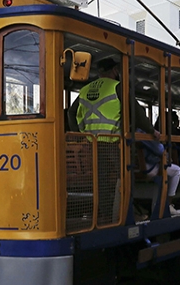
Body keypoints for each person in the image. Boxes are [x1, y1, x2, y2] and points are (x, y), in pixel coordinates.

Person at [67, 57, 158, 223]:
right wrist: (152, 131)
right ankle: (125, 214)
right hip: (114, 143)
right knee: (123, 178)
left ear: (99, 71)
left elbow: (71, 113)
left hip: (93, 144)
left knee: (101, 182)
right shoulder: (118, 87)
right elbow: (137, 113)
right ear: (115, 70)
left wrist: (80, 134)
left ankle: (108, 215)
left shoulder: (85, 89)